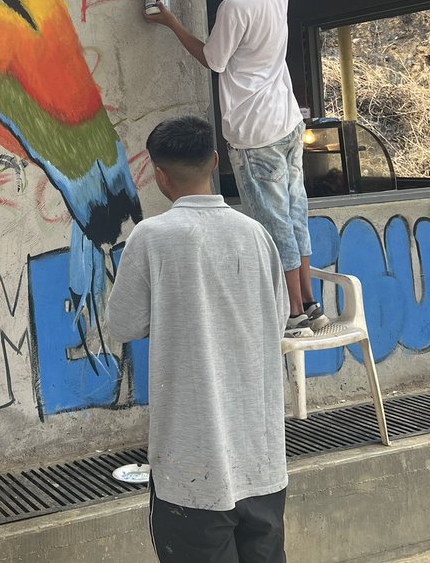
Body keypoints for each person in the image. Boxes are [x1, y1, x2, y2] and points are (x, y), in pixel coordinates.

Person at [106, 115, 289, 563]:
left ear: (159, 175)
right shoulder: (257, 234)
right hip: (263, 463)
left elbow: (122, 325)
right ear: (214, 160)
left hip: (191, 469)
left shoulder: (151, 237)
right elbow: (278, 316)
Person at [145, 0, 326, 338]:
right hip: (285, 120)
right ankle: (309, 302)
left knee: (272, 221)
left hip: (255, 131)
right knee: (294, 211)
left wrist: (170, 21)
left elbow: (212, 59)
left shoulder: (237, 5)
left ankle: (293, 314)